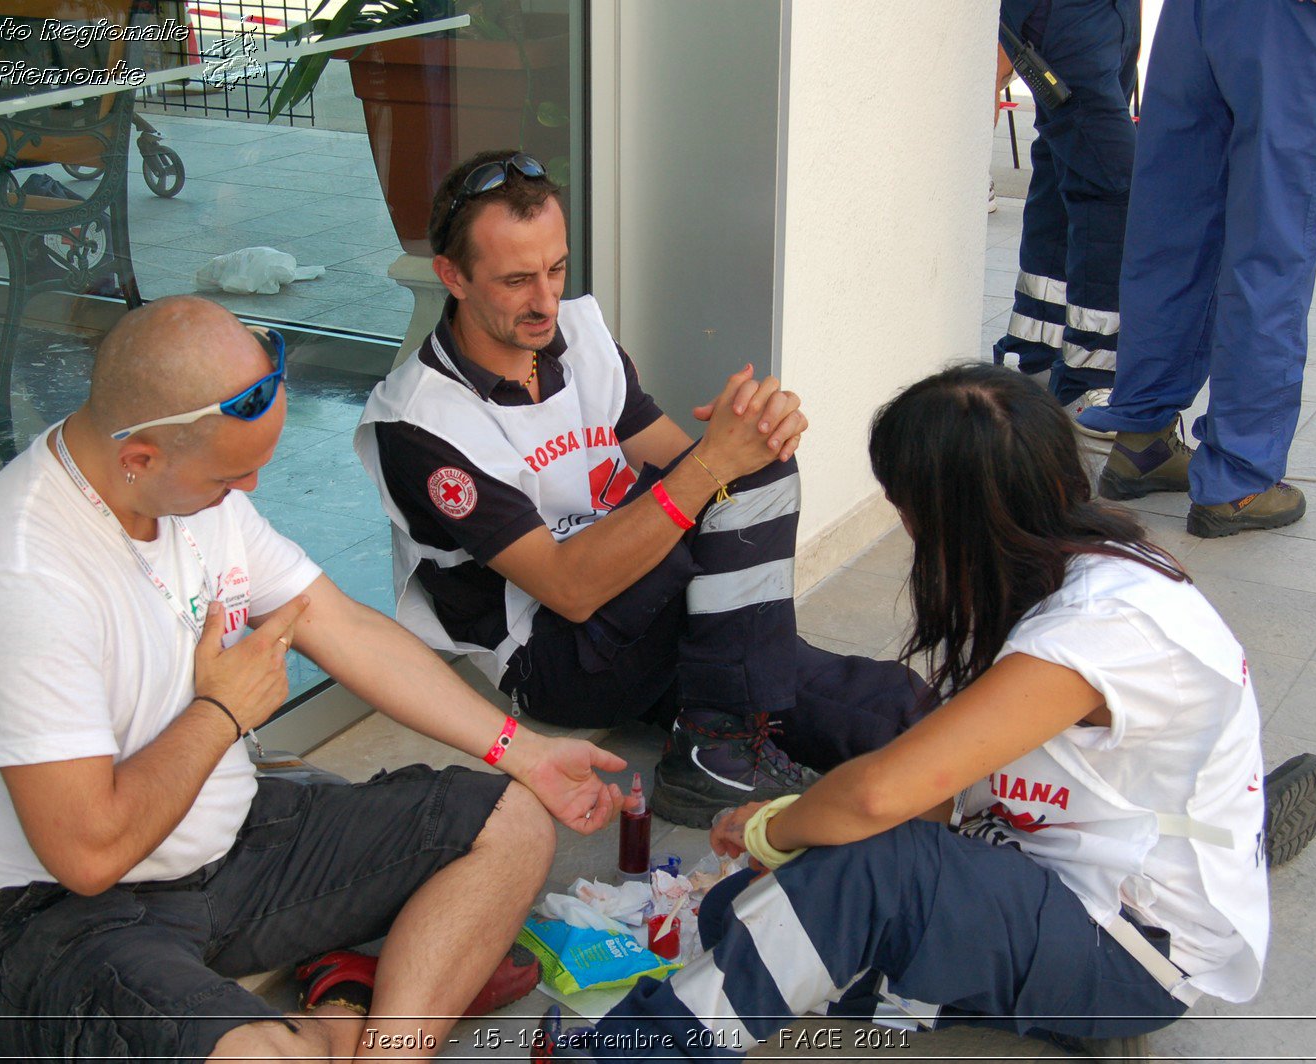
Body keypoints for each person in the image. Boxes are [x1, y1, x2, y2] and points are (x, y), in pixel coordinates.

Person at [536, 366, 1316, 1062]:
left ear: (950, 517)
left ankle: (638, 1051)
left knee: (865, 873)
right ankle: (1049, 992)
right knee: (747, 916)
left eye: (905, 507)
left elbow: (885, 795)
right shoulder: (1068, 569)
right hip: (1067, 866)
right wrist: (805, 831)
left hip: (1132, 944)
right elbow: (943, 789)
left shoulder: (1102, 628)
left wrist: (767, 828)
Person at [0, 295, 630, 1062]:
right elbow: (86, 854)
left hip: (224, 854)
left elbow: (336, 623)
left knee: (512, 821)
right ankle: (332, 1018)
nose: (249, 491)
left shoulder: (186, 496)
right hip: (45, 918)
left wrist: (524, 753)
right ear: (140, 457)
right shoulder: (19, 578)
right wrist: (222, 711)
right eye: (232, 475)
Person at [355, 150, 938, 830]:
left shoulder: (576, 334)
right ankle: (724, 736)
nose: (546, 302)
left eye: (557, 268)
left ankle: (748, 738)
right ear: (452, 276)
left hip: (636, 597)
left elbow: (675, 458)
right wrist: (712, 467)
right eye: (516, 281)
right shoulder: (421, 421)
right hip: (554, 654)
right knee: (728, 509)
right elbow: (567, 588)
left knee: (762, 523)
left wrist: (743, 434)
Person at [1078, 0, 1316, 537]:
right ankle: (1239, 482)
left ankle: (1143, 440)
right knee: (1270, 255)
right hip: (1286, 26)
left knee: (1171, 236)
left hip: (1195, 17)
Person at [991, 0, 1140, 432]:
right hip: (1067, 13)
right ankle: (1087, 381)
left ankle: (1038, 351)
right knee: (1115, 189)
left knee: (1067, 168)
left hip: (1110, 14)